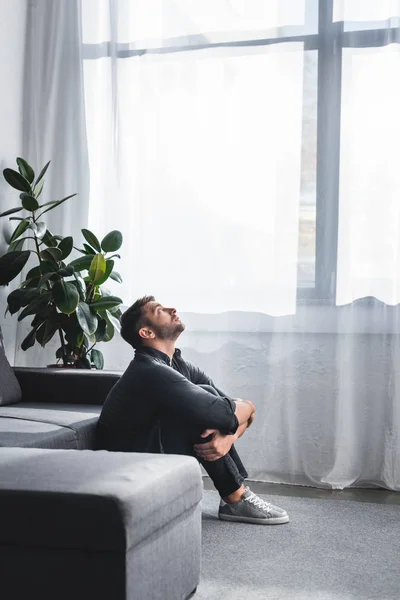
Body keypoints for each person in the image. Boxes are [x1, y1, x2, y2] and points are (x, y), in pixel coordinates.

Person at [97, 296, 289, 525]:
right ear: (146, 333)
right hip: (131, 474)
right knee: (199, 407)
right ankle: (235, 498)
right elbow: (229, 412)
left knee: (205, 396)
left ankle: (235, 497)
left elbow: (228, 409)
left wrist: (229, 436)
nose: (172, 308)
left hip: (152, 460)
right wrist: (247, 407)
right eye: (160, 310)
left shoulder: (177, 365)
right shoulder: (149, 371)